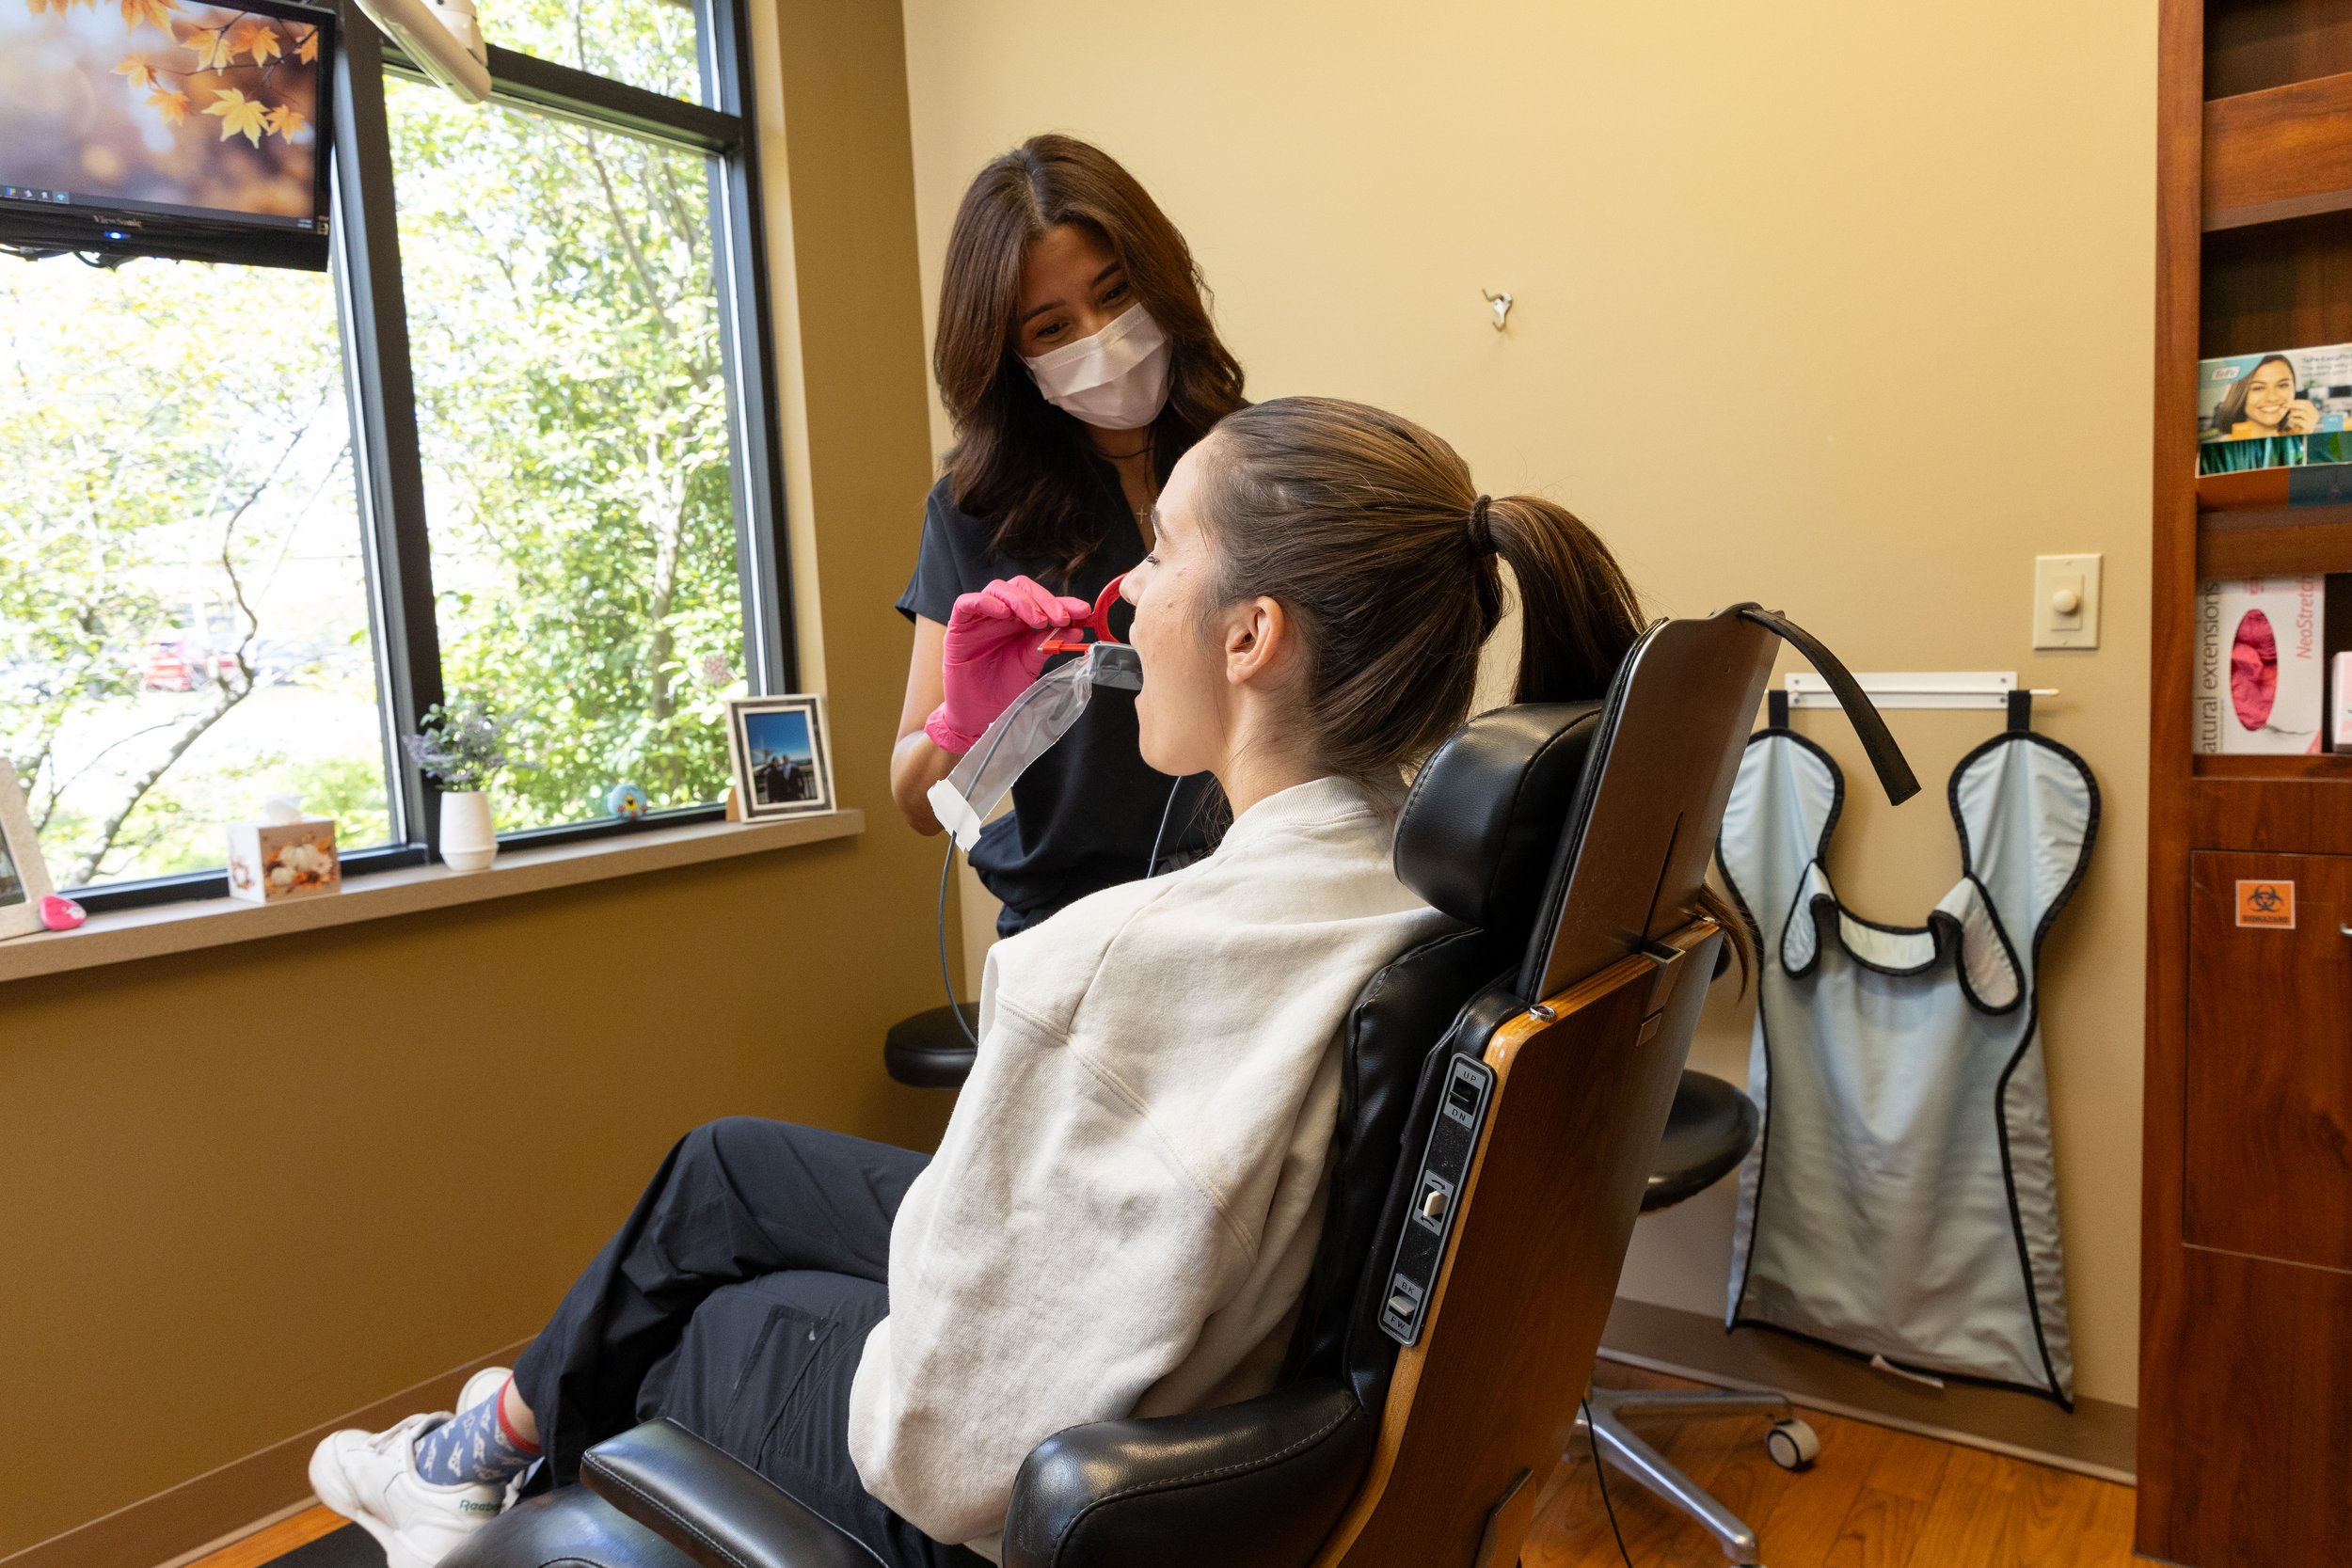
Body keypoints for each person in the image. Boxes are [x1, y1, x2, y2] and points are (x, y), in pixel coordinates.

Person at [310, 396, 1673, 1568]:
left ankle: (476, 1480)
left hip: (1028, 1500)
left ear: (1251, 633)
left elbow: (943, 1453)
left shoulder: (1108, 964)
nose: (1128, 591)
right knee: (726, 1168)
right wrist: (969, 723)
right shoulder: (1429, 888)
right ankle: (473, 1444)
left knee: (718, 1321)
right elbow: (952, 818)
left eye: (1160, 553)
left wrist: (914, 1294)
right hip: (1224, 1362)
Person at [892, 134, 1248, 935]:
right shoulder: (975, 511)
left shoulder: (1260, 465)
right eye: (1053, 328)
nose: (1101, 339)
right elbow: (922, 806)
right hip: (1072, 931)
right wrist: (964, 722)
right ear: (1008, 355)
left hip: (1251, 902)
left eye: (1118, 293)